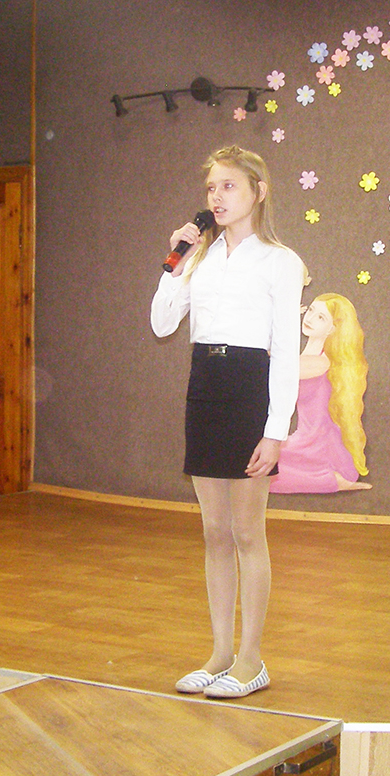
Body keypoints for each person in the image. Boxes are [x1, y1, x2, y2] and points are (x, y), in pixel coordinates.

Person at [150, 145, 306, 699]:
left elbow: (285, 351)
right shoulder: (200, 257)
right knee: (214, 533)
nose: (217, 197)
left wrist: (275, 429)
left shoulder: (281, 261)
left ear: (258, 192)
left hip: (249, 389)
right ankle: (219, 654)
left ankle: (251, 660)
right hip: (205, 388)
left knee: (246, 533)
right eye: (212, 188)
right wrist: (176, 263)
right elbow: (162, 323)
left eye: (229, 186)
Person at [270, 294, 371, 493]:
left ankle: (329, 479)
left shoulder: (320, 362)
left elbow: (272, 364)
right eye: (311, 310)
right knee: (252, 461)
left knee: (257, 470)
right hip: (303, 441)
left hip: (321, 449)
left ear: (332, 329)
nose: (310, 318)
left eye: (321, 317)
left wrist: (283, 320)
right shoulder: (307, 357)